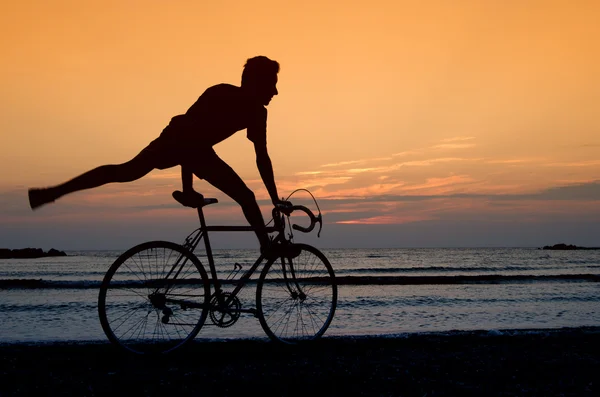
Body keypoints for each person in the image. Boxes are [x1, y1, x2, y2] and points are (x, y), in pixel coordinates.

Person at [28, 56, 290, 255]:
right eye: (272, 85)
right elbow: (188, 136)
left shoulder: (257, 113)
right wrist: (187, 188)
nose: (276, 92)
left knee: (246, 197)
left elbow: (261, 158)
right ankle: (53, 192)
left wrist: (275, 199)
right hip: (175, 140)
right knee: (125, 172)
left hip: (198, 150)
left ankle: (265, 247)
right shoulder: (219, 93)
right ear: (258, 83)